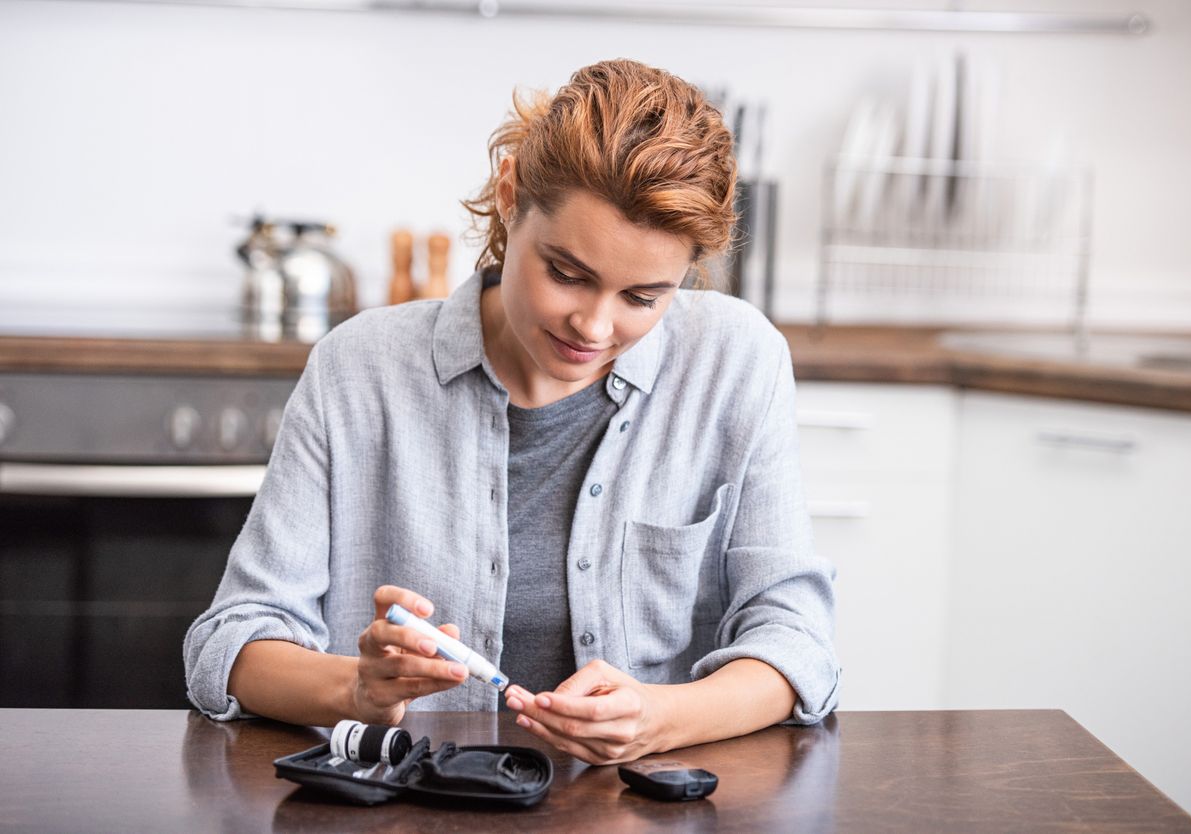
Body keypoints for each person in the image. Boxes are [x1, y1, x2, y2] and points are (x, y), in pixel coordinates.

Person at [185, 58, 840, 766]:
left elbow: (794, 639)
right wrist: (355, 688)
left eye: (643, 298)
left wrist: (660, 717)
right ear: (509, 196)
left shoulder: (736, 362)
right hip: (413, 806)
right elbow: (233, 642)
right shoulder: (360, 369)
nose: (593, 326)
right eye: (567, 273)